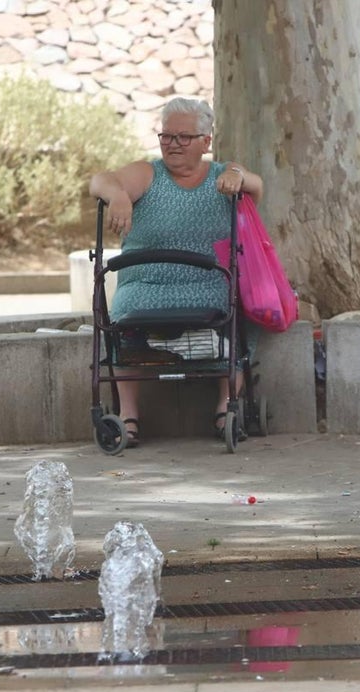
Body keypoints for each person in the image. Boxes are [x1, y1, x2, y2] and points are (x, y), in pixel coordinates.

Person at [89, 97, 264, 447]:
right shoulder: (148, 173)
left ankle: (223, 408)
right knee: (124, 319)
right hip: (145, 284)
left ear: (205, 142)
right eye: (167, 136)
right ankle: (128, 415)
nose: (173, 145)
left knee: (235, 310)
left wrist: (239, 176)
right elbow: (100, 180)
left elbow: (255, 184)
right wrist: (118, 196)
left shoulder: (222, 175)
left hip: (207, 284)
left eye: (184, 137)